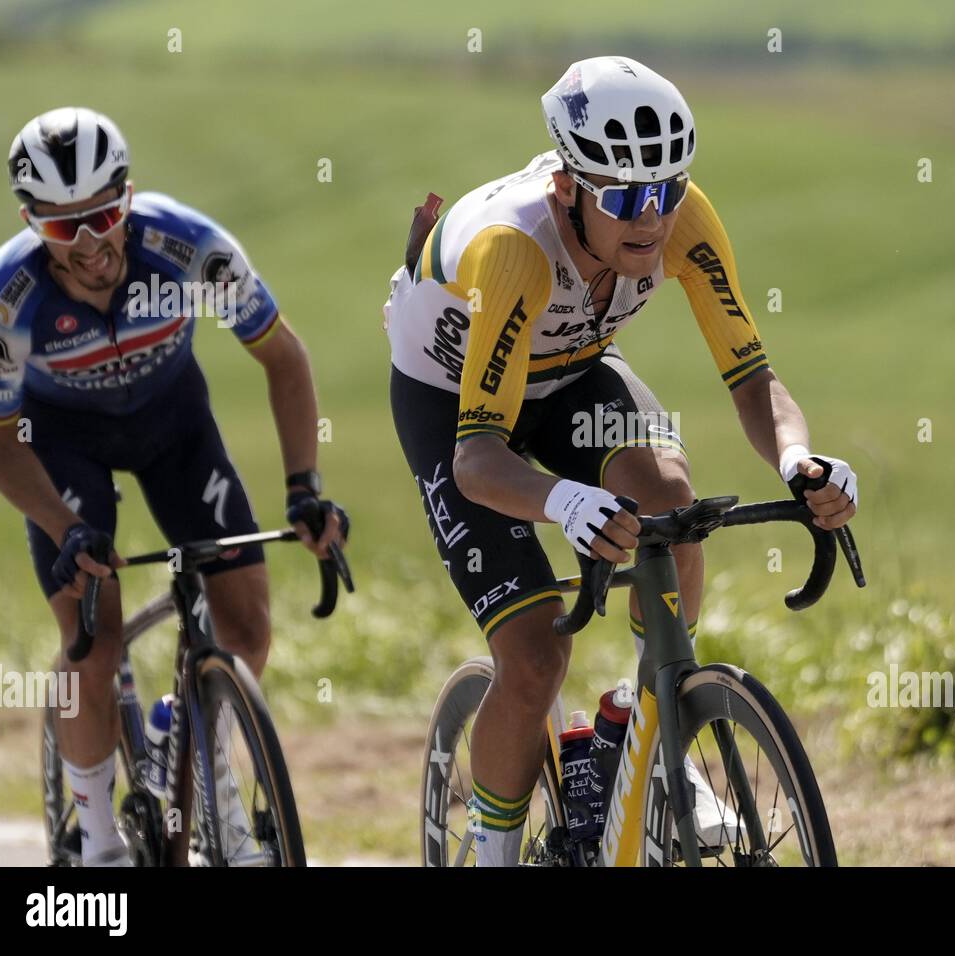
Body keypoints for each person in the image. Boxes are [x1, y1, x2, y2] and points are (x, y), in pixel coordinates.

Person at [385, 57, 857, 865]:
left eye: (668, 191)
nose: (654, 219)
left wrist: (799, 458)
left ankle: (644, 715)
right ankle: (495, 846)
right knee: (535, 655)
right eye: (628, 198)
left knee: (672, 503)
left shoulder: (684, 220)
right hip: (455, 405)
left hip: (571, 374)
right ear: (569, 188)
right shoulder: (514, 251)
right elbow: (478, 464)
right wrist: (565, 503)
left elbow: (753, 379)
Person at [0, 107, 347, 865]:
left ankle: (203, 768)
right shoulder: (2, 305)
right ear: (31, 223)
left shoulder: (187, 246)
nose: (89, 245)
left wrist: (303, 486)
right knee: (93, 639)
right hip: (59, 446)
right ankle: (100, 842)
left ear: (129, 199)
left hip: (175, 427)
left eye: (105, 216)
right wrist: (60, 523)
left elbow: (285, 358)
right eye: (62, 228)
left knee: (243, 631)